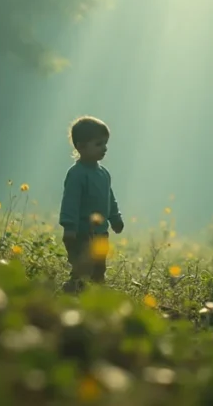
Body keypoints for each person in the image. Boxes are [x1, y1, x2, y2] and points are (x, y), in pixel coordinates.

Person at [58, 116, 125, 293]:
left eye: (105, 143)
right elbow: (70, 201)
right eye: (98, 144)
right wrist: (69, 227)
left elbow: (109, 197)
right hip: (82, 233)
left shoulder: (104, 174)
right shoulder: (77, 174)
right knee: (82, 268)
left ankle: (95, 295)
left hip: (101, 233)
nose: (104, 148)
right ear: (81, 146)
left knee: (99, 267)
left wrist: (115, 218)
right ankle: (72, 292)